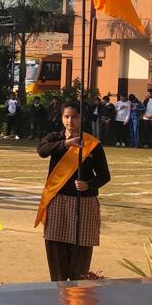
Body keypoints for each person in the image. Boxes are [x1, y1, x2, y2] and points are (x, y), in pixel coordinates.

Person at [36, 102, 110, 281]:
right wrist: (66, 143)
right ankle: (58, 285)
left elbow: (104, 176)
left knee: (81, 247)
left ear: (81, 118)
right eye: (67, 116)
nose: (70, 121)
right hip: (58, 200)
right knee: (55, 244)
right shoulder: (55, 138)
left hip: (83, 202)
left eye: (75, 116)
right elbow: (42, 150)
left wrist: (88, 185)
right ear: (62, 118)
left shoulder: (92, 144)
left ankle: (78, 284)